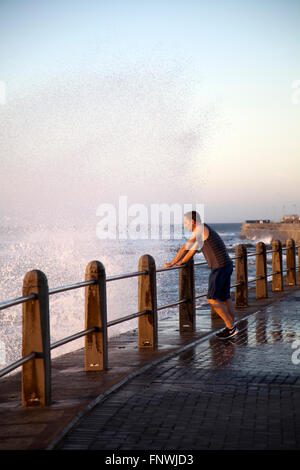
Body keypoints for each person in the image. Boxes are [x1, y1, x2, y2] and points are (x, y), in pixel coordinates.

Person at [163, 211, 238, 339]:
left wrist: (171, 263)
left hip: (219, 267)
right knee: (225, 297)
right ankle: (231, 327)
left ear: (192, 222)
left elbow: (184, 248)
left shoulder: (200, 229)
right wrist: (180, 262)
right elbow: (191, 251)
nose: (185, 226)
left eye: (186, 223)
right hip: (226, 265)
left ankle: (231, 327)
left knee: (212, 298)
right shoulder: (203, 230)